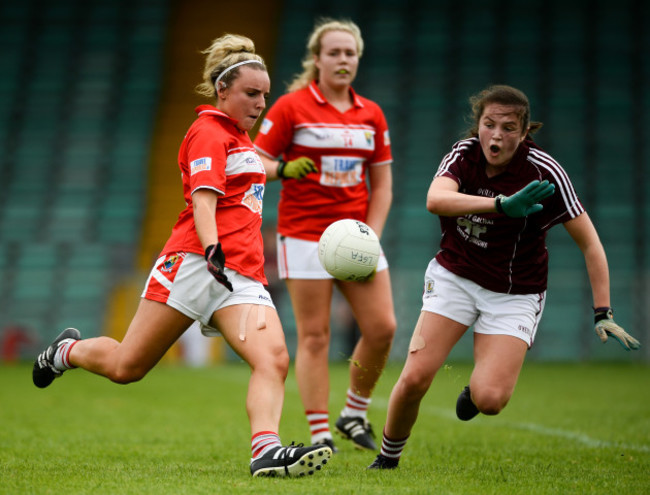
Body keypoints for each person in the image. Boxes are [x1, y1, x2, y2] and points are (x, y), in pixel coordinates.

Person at [32, 34, 332, 478]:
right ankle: (65, 351)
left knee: (273, 360)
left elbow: (250, 168)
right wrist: (212, 247)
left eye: (265, 95)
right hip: (194, 262)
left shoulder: (241, 141)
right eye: (251, 93)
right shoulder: (208, 132)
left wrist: (283, 169)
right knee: (126, 367)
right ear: (222, 90)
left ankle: (264, 451)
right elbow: (204, 200)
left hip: (241, 275)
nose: (260, 103)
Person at [368, 84, 641, 469]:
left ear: (526, 131)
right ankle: (386, 460)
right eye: (489, 124)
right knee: (415, 377)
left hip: (515, 292)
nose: (497, 135)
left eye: (509, 127)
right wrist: (501, 205)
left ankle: (475, 394)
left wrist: (603, 311)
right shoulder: (463, 156)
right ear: (477, 125)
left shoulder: (545, 172)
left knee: (491, 400)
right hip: (455, 277)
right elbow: (435, 199)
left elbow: (591, 244)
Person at [253, 19, 397, 453]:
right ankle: (320, 433)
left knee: (382, 328)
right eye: (333, 53)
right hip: (303, 237)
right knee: (315, 336)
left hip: (355, 238)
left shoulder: (371, 113)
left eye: (349, 53)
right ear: (316, 60)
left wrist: (371, 235)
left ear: (357, 60)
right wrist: (283, 169)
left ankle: (354, 412)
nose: (342, 60)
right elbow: (256, 162)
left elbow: (383, 185)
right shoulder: (290, 108)